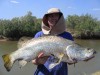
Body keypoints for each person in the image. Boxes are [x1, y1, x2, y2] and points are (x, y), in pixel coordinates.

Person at [32, 8, 74, 75]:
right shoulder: (39, 35)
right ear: (47, 18)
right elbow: (33, 61)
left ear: (60, 18)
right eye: (51, 16)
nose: (53, 18)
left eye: (56, 15)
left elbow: (70, 62)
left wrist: (78, 58)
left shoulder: (68, 36)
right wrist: (38, 61)